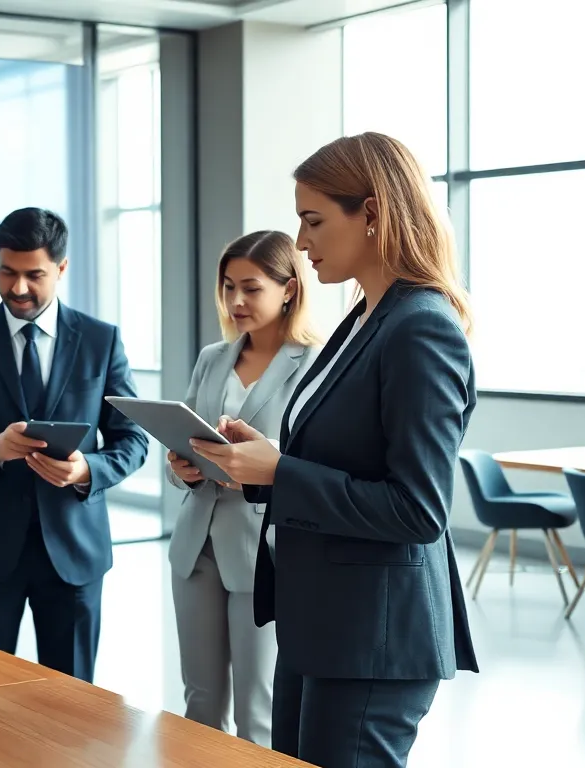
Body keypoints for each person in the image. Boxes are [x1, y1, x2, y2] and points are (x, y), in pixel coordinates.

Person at [190, 133, 479, 768]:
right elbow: (341, 459)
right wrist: (262, 464)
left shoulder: (420, 326)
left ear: (372, 214)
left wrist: (282, 471)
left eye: (314, 220)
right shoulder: (363, 319)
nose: (300, 242)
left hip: (372, 637)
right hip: (321, 622)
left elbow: (419, 509)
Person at [0, 207, 149, 683]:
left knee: (74, 708)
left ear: (62, 269)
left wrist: (88, 470)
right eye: (7, 271)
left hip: (74, 550)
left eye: (34, 275)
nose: (18, 288)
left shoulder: (100, 341)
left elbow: (133, 438)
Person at [166, 231, 320, 746]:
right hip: (196, 543)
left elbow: (314, 459)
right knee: (200, 702)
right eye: (229, 287)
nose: (235, 302)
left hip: (264, 551)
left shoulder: (317, 362)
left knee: (259, 709)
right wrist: (179, 466)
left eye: (251, 289)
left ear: (289, 289)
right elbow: (187, 440)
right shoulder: (213, 357)